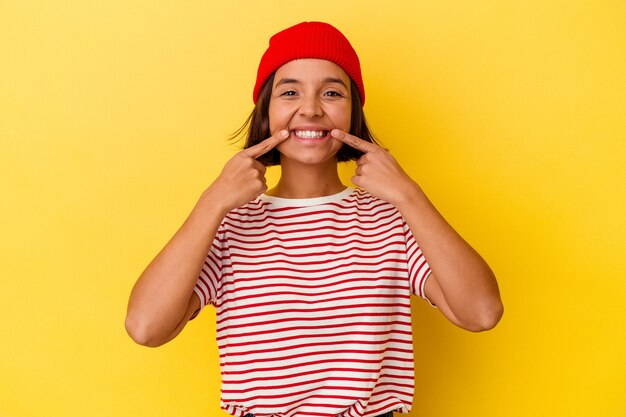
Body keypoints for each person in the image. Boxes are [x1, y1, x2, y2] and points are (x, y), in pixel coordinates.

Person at [125, 21, 503, 417]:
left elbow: (480, 312)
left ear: (353, 111)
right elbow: (146, 328)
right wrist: (211, 203)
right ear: (266, 112)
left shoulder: (393, 219)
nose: (310, 109)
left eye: (332, 93)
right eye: (290, 92)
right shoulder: (227, 226)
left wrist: (408, 194)